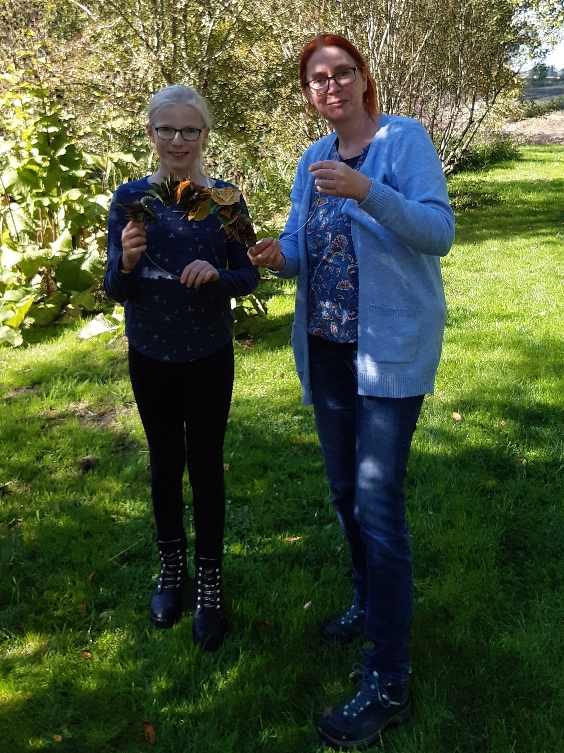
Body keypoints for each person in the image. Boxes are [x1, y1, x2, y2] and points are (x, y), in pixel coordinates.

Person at [248, 34, 454, 749]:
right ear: (308, 93)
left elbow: (439, 232)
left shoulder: (403, 141)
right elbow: (299, 245)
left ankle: (388, 676)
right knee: (345, 492)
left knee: (378, 502)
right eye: (317, 78)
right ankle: (370, 604)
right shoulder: (312, 157)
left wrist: (367, 191)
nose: (330, 85)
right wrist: (276, 256)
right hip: (330, 353)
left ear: (364, 79)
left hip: (388, 351)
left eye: (342, 72)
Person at [105, 85, 259, 651]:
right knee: (165, 463)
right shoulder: (129, 199)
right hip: (151, 355)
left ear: (204, 135)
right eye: (166, 129)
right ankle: (172, 571)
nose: (177, 140)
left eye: (189, 129)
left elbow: (250, 275)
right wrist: (125, 261)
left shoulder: (225, 200)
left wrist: (217, 275)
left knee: (207, 464)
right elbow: (114, 288)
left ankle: (210, 582)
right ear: (151, 133)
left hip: (208, 355)